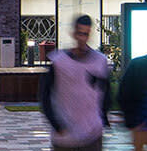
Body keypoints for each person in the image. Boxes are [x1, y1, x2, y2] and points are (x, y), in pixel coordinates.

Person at [39, 15, 111, 151]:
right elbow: (45, 95)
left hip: (92, 134)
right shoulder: (59, 62)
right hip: (65, 135)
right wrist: (56, 124)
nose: (82, 38)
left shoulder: (99, 61)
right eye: (80, 33)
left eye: (86, 34)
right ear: (73, 33)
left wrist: (102, 118)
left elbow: (105, 92)